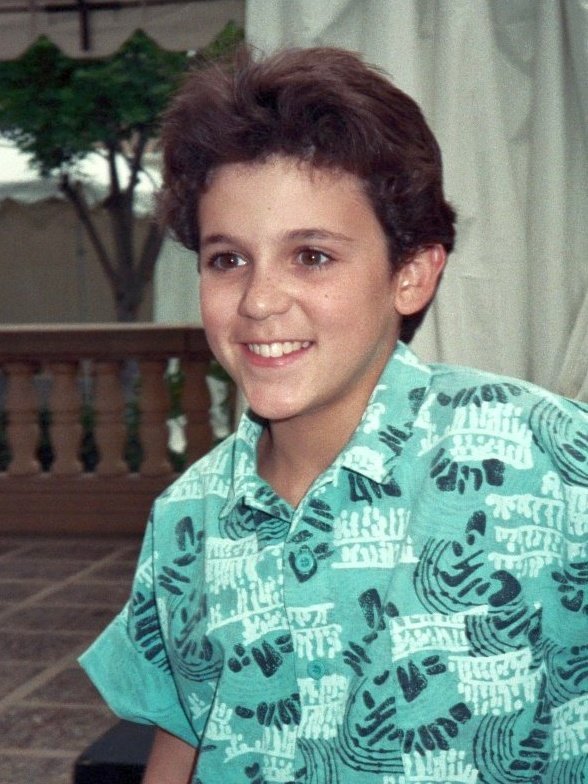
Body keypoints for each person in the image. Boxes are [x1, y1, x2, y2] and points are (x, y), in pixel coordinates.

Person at [80, 46, 588, 784]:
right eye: (228, 259)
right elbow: (182, 737)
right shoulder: (187, 520)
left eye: (311, 256)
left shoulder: (551, 465)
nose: (258, 300)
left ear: (411, 273)